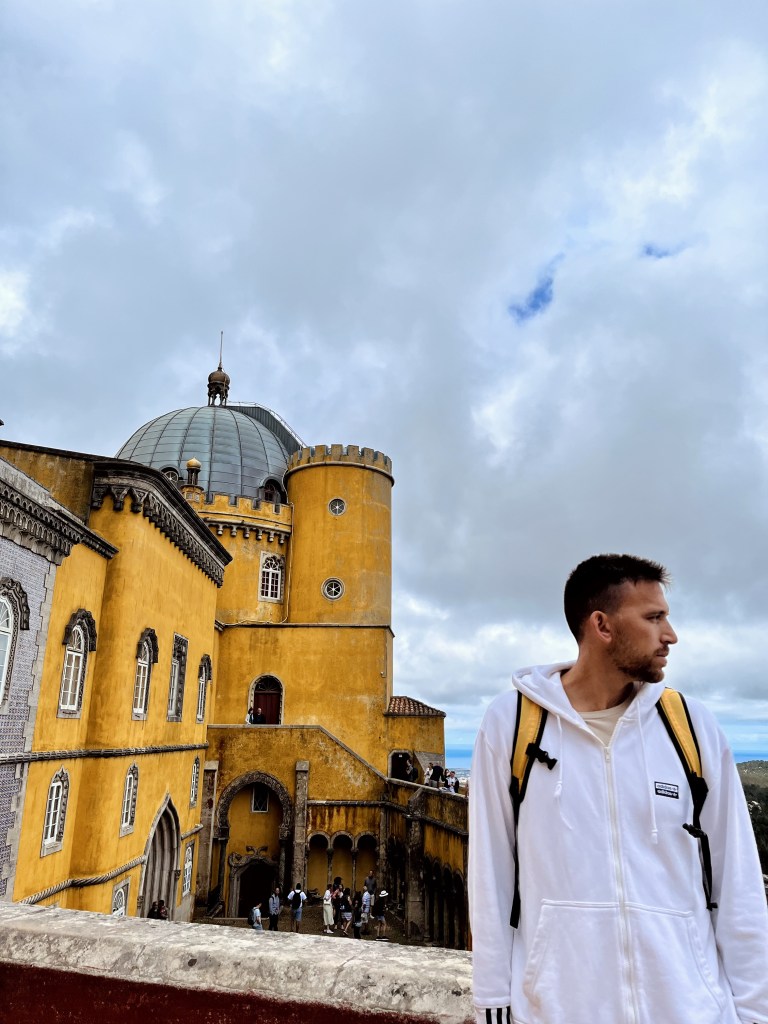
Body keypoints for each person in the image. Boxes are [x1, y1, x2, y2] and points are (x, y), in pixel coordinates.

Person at [469, 553, 768, 1024]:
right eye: (654, 617)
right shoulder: (511, 725)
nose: (670, 635)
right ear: (602, 625)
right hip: (557, 1012)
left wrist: (754, 1012)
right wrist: (492, 1002)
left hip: (690, 1010)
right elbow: (491, 877)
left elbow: (738, 882)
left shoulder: (692, 726)